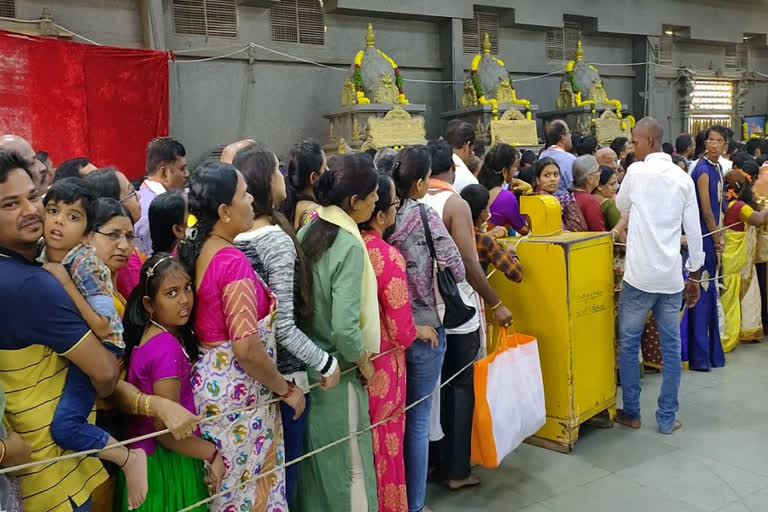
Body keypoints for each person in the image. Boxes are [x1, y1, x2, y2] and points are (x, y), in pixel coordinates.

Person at [180, 161, 303, 511]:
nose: (251, 200)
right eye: (243, 194)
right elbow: (246, 347)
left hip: (218, 390)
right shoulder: (231, 262)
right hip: (240, 398)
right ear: (224, 211)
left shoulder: (203, 251)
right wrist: (286, 389)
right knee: (249, 496)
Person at [0, 150, 120, 510]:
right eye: (10, 204)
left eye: (34, 197)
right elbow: (105, 373)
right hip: (51, 477)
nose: (32, 211)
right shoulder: (32, 285)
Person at [232, 142, 341, 508]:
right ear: (265, 183)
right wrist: (326, 362)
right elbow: (283, 327)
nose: (283, 176)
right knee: (284, 478)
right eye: (277, 170)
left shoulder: (232, 239)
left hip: (252, 379)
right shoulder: (275, 240)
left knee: (263, 485)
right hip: (285, 379)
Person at [38, 182, 148, 509]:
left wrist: (64, 282)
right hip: (85, 351)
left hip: (103, 349)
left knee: (66, 427)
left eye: (73, 217)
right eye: (53, 211)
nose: (58, 221)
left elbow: (102, 327)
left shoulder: (84, 264)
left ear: (86, 233)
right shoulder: (50, 255)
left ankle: (129, 457)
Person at [421, 140, 512, 491]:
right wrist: (496, 303)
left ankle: (435, 462)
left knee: (435, 390)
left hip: (428, 311)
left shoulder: (413, 201)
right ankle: (456, 470)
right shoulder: (453, 203)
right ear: (452, 170)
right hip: (458, 309)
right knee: (460, 388)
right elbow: (469, 263)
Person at [295, 154, 380, 512]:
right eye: (373, 196)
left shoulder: (306, 232)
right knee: (351, 468)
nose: (378, 202)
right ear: (354, 202)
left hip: (310, 369)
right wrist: (364, 363)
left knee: (317, 472)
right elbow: (346, 329)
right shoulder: (347, 245)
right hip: (339, 373)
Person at [614, 117, 705, 434]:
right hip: (670, 281)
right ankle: (666, 419)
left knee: (628, 345)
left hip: (638, 280)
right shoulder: (683, 179)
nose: (632, 147)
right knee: (670, 349)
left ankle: (632, 412)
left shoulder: (636, 173)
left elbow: (620, 202)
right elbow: (694, 233)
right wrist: (694, 274)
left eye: (635, 141)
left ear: (650, 141)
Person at [388, 146, 463, 512]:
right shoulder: (424, 216)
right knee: (418, 420)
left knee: (392, 420)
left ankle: (393, 496)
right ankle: (415, 504)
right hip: (426, 326)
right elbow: (456, 267)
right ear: (418, 183)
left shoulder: (380, 218)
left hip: (388, 330)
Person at [119, 254, 220, 510]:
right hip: (166, 465)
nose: (185, 300)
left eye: (187, 288)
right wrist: (212, 454)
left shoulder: (152, 337)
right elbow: (167, 433)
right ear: (149, 304)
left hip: (148, 459)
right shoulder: (166, 347)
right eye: (171, 293)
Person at [361, 173, 434, 512]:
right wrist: (419, 330)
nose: (397, 210)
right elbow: (403, 330)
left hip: (358, 361)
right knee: (388, 443)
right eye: (393, 205)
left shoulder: (351, 244)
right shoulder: (388, 257)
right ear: (379, 215)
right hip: (385, 366)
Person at [688, 125, 728, 371]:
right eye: (711, 140)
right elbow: (706, 209)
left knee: (711, 291)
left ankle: (714, 353)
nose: (714, 145)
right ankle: (700, 356)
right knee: (701, 293)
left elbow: (720, 204)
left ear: (725, 145)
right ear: (705, 144)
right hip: (703, 238)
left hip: (715, 236)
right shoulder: (702, 170)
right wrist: (715, 237)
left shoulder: (719, 168)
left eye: (719, 141)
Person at [721, 165, 768, 352]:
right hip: (736, 260)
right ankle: (733, 332)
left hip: (732, 257)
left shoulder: (727, 203)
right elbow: (758, 219)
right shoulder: (739, 206)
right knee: (734, 297)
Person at [84, 167, 147, 299]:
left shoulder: (126, 253)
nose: (138, 195)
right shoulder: (111, 264)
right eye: (131, 191)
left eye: (129, 237)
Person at [135, 137, 188, 256]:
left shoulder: (143, 195)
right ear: (164, 173)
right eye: (182, 169)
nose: (187, 174)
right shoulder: (155, 211)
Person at [461, 184, 524, 283]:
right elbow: (516, 274)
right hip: (476, 294)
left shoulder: (453, 232)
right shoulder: (485, 241)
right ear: (483, 213)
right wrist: (511, 253)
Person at [477, 143, 530, 235]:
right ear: (505, 171)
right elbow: (524, 230)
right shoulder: (506, 197)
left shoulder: (477, 188)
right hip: (493, 246)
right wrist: (529, 193)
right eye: (514, 166)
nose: (516, 170)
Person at [282, 141, 328, 230]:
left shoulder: (287, 204)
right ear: (313, 177)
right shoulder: (317, 215)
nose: (328, 171)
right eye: (325, 168)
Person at [535, 157, 588, 232]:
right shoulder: (538, 201)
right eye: (547, 175)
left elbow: (577, 227)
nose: (552, 179)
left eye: (556, 175)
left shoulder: (563, 198)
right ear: (538, 180)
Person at [571, 155, 606, 231]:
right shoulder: (589, 201)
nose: (600, 173)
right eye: (598, 170)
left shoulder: (570, 195)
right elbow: (599, 232)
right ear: (590, 178)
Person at [540, 120, 576, 194]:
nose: (571, 136)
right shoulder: (570, 159)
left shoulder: (542, 155)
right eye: (569, 133)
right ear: (563, 138)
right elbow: (574, 187)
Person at [444, 119, 478, 193]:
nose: (473, 153)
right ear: (467, 146)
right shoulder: (468, 179)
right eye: (472, 148)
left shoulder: (431, 170)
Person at [593, 166, 622, 230]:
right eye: (612, 184)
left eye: (616, 183)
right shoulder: (609, 204)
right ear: (599, 186)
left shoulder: (589, 199)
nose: (615, 187)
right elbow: (621, 236)